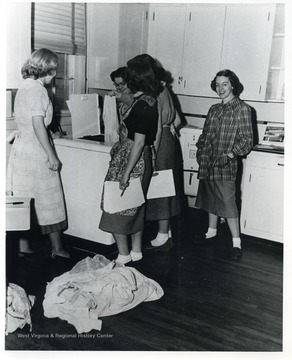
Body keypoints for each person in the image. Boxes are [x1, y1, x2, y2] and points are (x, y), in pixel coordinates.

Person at [6, 48, 70, 259]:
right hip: (36, 150)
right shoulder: (38, 90)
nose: (55, 75)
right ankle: (58, 249)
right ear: (47, 69)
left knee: (25, 199)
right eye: (54, 70)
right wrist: (51, 155)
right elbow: (38, 126)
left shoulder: (25, 86)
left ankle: (23, 247)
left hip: (22, 149)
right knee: (49, 198)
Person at [99, 62, 159, 265]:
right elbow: (127, 98)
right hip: (137, 157)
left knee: (117, 206)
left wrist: (125, 173)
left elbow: (139, 142)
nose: (122, 87)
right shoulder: (145, 100)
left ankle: (123, 256)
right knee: (135, 206)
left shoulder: (143, 104)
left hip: (133, 158)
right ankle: (135, 252)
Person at [195, 69, 253, 261]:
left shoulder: (243, 109)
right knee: (211, 197)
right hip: (207, 161)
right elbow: (205, 134)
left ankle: (236, 243)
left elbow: (247, 140)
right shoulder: (214, 109)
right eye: (217, 85)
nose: (220, 88)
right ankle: (211, 232)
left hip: (226, 164)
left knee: (228, 203)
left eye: (225, 84)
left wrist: (229, 155)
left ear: (233, 85)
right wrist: (200, 148)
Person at [127, 54, 184, 249]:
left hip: (160, 141)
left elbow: (158, 127)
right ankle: (165, 230)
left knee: (160, 186)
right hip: (170, 140)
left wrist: (153, 150)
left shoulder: (153, 93)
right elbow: (177, 120)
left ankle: (162, 234)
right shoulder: (164, 88)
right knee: (165, 185)